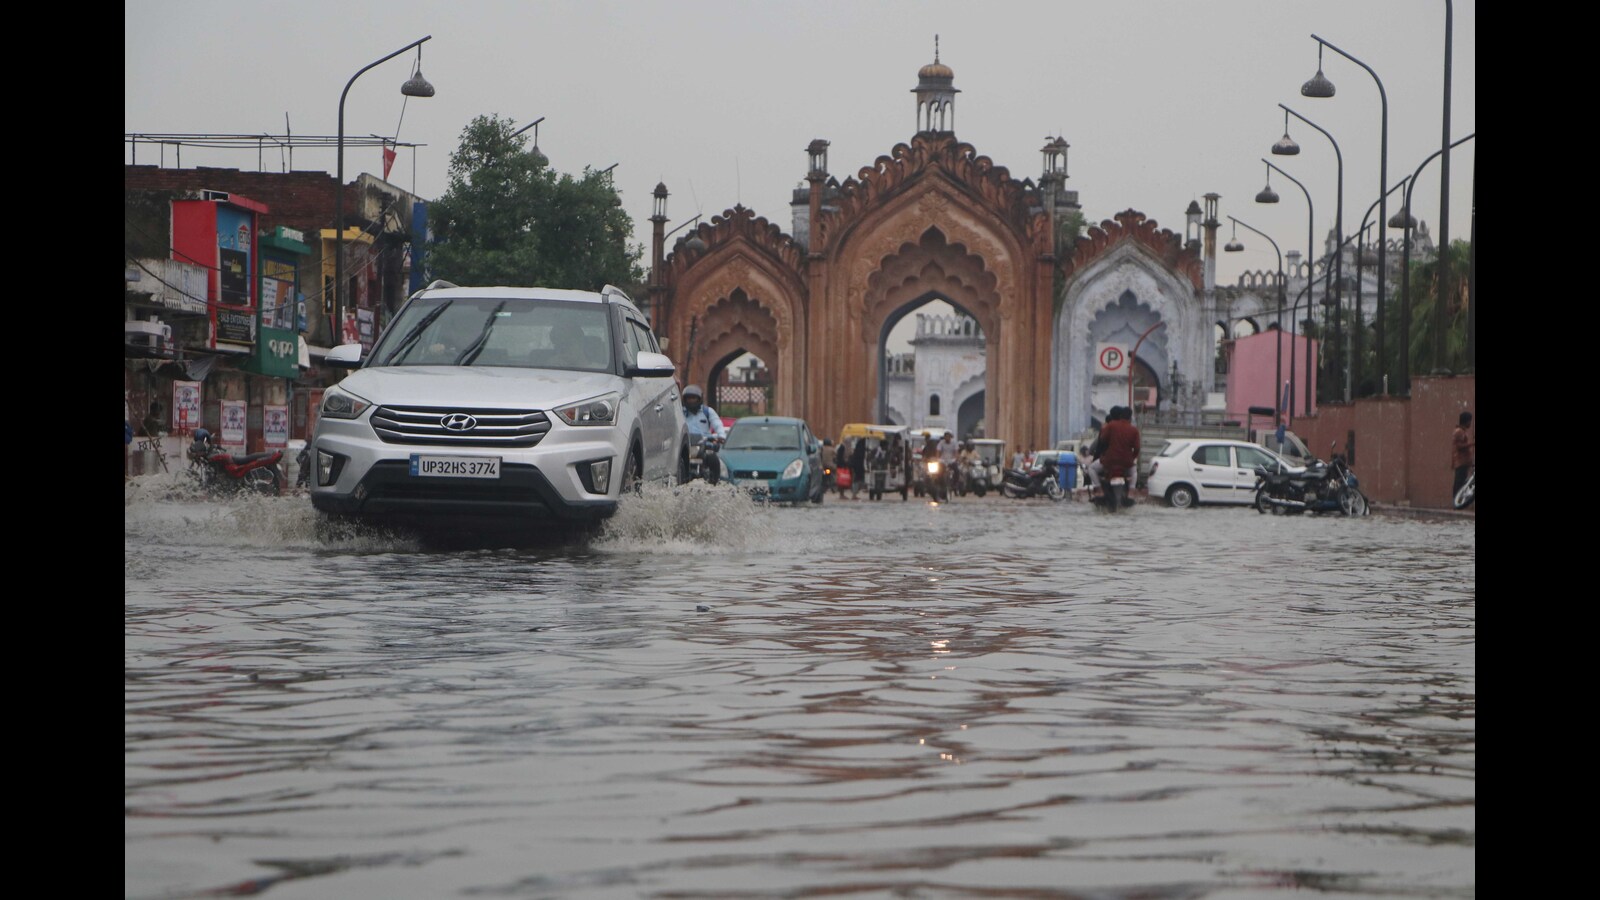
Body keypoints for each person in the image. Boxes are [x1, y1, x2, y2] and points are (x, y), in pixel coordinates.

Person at [1093, 405, 1141, 506]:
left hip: (1109, 461)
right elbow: (1137, 448)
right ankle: (1132, 490)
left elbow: (1102, 439)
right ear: (1130, 418)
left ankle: (1099, 489)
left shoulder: (1111, 425)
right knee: (1134, 472)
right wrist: (1132, 458)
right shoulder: (1134, 430)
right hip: (1126, 462)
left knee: (1091, 468)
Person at [682, 384, 727, 484]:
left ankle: (714, 482)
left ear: (699, 399)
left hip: (704, 445)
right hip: (686, 446)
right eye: (689, 398)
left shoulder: (708, 412)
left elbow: (717, 424)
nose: (691, 401)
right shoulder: (680, 412)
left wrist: (721, 436)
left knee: (713, 458)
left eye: (693, 398)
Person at [1451, 410, 1474, 498]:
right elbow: (1459, 446)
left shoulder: (1462, 431)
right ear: (1466, 421)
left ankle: (1458, 501)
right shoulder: (1459, 432)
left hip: (1464, 462)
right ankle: (1456, 502)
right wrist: (1472, 444)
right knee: (1459, 483)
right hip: (1460, 462)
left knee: (1462, 482)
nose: (1470, 423)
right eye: (1469, 421)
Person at [849, 434, 868, 499]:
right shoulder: (861, 447)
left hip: (857, 465)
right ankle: (854, 494)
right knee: (858, 479)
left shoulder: (859, 445)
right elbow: (860, 456)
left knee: (858, 479)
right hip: (858, 465)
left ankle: (855, 493)